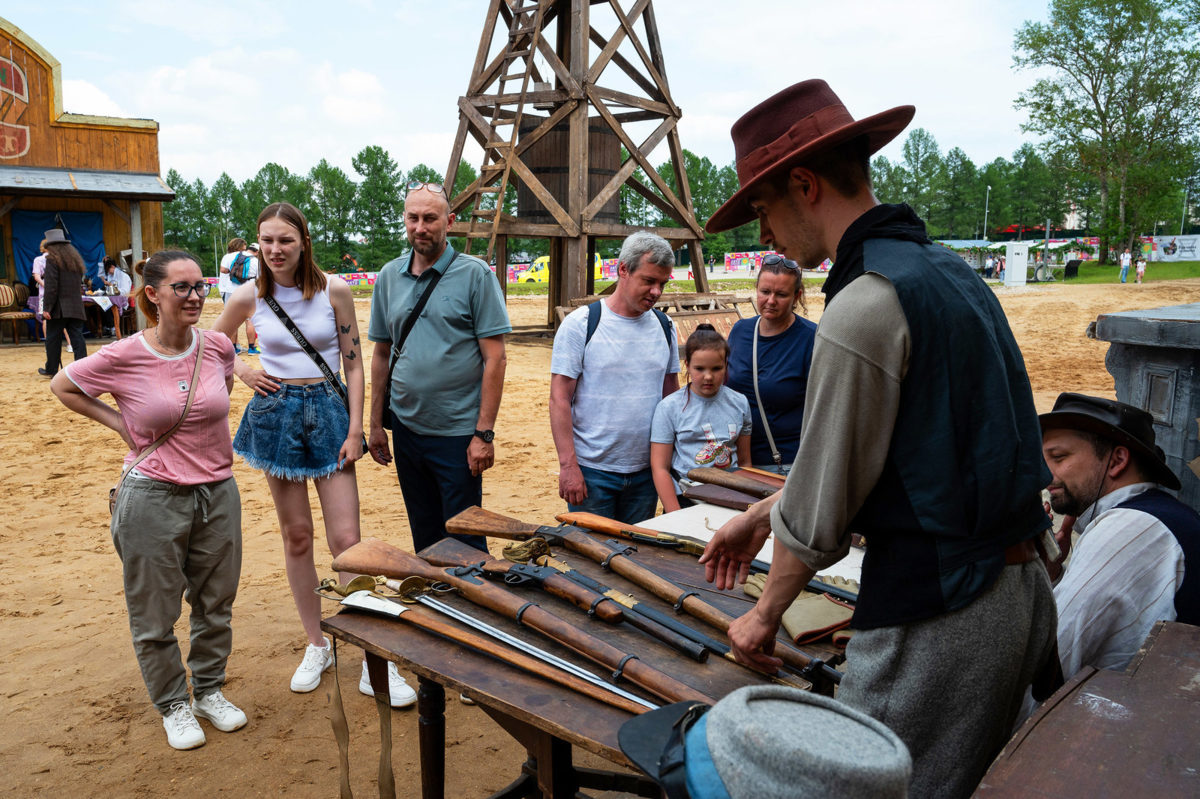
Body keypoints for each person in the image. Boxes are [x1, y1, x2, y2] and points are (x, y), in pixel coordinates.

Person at [699, 79, 1057, 798]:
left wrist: (764, 615)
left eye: (764, 210)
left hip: (945, 612)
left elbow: (827, 508)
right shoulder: (946, 273)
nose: (764, 236)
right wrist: (759, 514)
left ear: (804, 184)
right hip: (1015, 594)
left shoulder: (866, 306)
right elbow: (905, 455)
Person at [214, 202, 411, 707]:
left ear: (303, 240)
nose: (275, 250)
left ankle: (372, 658)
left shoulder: (335, 291)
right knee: (297, 536)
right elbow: (210, 344)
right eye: (266, 241)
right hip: (276, 414)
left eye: (284, 240)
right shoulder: (247, 297)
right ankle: (317, 644)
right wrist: (242, 368)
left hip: (327, 414)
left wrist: (354, 430)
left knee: (347, 540)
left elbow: (354, 366)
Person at [49, 249, 245, 750]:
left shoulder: (218, 347)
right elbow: (63, 385)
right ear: (152, 296)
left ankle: (208, 692)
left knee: (215, 603)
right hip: (153, 496)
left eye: (200, 285)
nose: (196, 295)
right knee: (155, 613)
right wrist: (121, 424)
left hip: (217, 492)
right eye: (182, 287)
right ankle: (174, 705)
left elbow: (216, 397)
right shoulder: (125, 354)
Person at [368, 181, 511, 555]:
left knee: (465, 537)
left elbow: (495, 358)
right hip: (406, 428)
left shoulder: (475, 275)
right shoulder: (388, 277)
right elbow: (382, 354)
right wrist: (374, 425)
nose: (420, 227)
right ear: (404, 220)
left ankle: (474, 609)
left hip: (458, 435)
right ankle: (436, 605)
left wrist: (484, 434)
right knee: (426, 536)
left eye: (430, 218)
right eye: (413, 218)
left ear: (448, 221)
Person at [1040, 393, 1200, 678]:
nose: (1043, 474)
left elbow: (1049, 664)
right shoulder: (1154, 518)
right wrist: (1050, 572)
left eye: (1058, 457)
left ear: (1117, 460)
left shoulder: (1131, 527)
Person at [550, 231, 679, 524]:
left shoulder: (665, 326)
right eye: (648, 281)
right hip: (592, 473)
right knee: (592, 562)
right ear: (623, 269)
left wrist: (672, 460)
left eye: (662, 283)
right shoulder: (581, 325)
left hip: (649, 473)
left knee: (635, 558)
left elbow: (671, 395)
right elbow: (559, 399)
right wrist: (568, 466)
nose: (656, 292)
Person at [725, 255, 817, 472]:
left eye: (781, 294)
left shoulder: (812, 338)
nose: (771, 301)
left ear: (797, 296)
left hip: (785, 464)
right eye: (765, 292)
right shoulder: (740, 331)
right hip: (736, 461)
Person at [650, 324, 752, 513]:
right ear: (687, 365)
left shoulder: (740, 403)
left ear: (726, 365)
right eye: (699, 368)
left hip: (732, 497)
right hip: (686, 500)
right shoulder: (669, 407)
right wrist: (674, 513)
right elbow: (660, 467)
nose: (708, 376)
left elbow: (745, 462)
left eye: (716, 368)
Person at [38, 228, 87, 376]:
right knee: (78, 338)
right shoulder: (75, 259)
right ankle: (83, 369)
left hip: (59, 308)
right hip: (76, 306)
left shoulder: (52, 260)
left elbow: (51, 287)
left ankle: (51, 369)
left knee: (53, 339)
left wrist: (47, 308)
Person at [218, 238, 260, 354]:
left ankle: (234, 348)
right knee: (250, 320)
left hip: (231, 291)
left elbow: (223, 270)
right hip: (248, 291)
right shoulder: (254, 259)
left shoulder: (228, 256)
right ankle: (252, 348)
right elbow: (259, 278)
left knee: (232, 320)